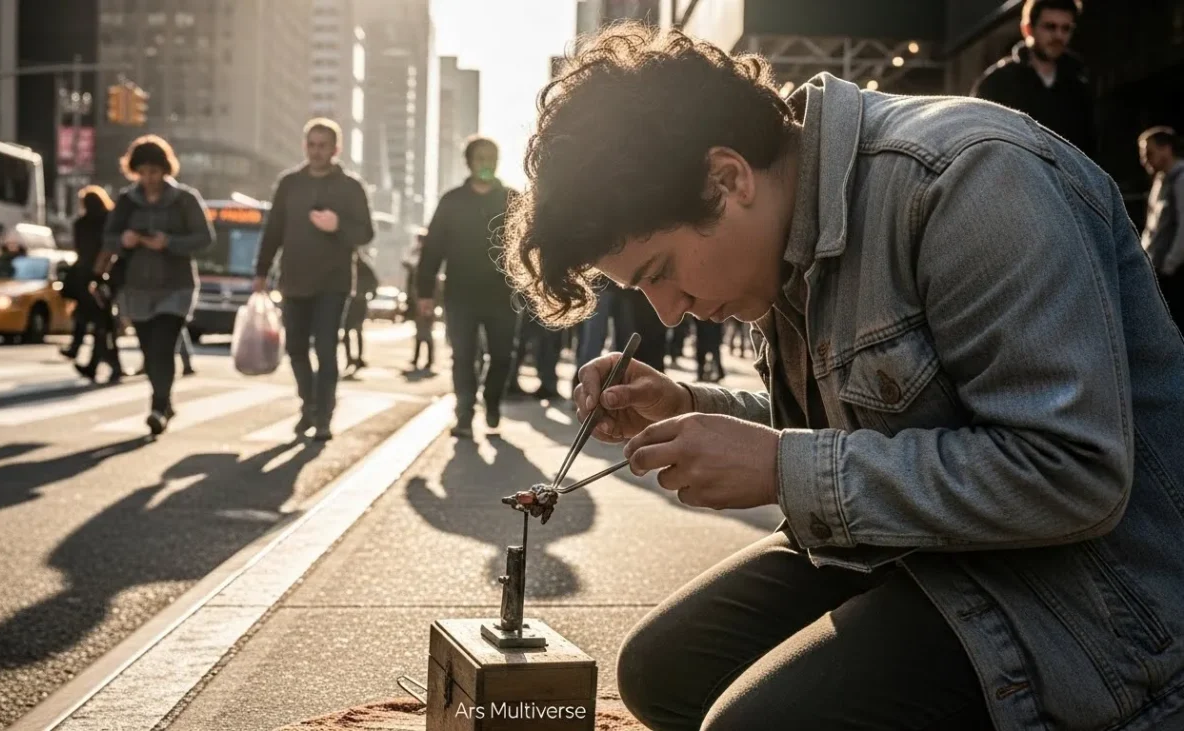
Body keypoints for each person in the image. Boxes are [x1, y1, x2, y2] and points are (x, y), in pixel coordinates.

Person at [503, 24, 1184, 731]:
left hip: (1091, 608)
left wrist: (781, 468)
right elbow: (873, 420)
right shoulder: (788, 225)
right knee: (661, 670)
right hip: (928, 552)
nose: (669, 313)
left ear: (727, 179)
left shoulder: (971, 177)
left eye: (661, 272)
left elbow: (1074, 470)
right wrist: (686, 404)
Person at [254, 118, 374, 440]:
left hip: (333, 283)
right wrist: (261, 272)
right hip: (294, 279)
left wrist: (338, 226)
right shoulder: (289, 183)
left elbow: (366, 233)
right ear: (304, 146)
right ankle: (308, 404)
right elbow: (273, 230)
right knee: (295, 348)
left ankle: (323, 416)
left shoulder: (351, 186)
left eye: (323, 146)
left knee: (325, 348)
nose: (317, 151)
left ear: (336, 149)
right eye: (312, 145)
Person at [103, 135, 214, 436]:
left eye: (154, 171)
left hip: (176, 287)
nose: (149, 178)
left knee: (164, 346)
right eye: (142, 172)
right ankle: (164, 402)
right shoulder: (127, 201)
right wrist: (124, 240)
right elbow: (108, 238)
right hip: (137, 288)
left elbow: (205, 238)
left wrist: (170, 242)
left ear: (165, 170)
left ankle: (157, 407)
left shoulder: (185, 199)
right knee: (149, 351)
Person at [417, 136, 518, 438]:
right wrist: (424, 293)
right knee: (463, 356)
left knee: (502, 355)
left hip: (502, 294)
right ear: (469, 162)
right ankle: (464, 413)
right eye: (480, 158)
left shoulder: (512, 200)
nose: (486, 164)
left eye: (491, 158)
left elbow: (528, 246)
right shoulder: (452, 201)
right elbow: (432, 249)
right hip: (460, 294)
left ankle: (492, 400)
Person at [971, 0, 1096, 157]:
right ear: (1028, 29)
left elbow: (1089, 149)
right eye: (1050, 26)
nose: (1058, 35)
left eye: (1066, 28)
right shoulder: (997, 82)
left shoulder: (1079, 86)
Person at [68, 186, 123, 383]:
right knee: (103, 324)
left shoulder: (81, 224)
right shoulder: (110, 219)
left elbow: (80, 249)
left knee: (99, 323)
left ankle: (98, 362)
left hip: (90, 277)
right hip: (107, 276)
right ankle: (107, 365)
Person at [1139, 126, 1184, 331]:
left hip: (1174, 273)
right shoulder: (1159, 180)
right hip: (1157, 269)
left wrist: (1169, 264)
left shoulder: (1181, 179)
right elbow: (1152, 227)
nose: (1144, 160)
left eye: (1149, 153)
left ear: (1166, 149)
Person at [404, 233, 435, 371]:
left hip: (426, 299)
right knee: (419, 331)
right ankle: (418, 358)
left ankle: (429, 360)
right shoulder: (417, 255)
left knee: (426, 332)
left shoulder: (428, 258)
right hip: (418, 299)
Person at [343, 251, 378, 373]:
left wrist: (369, 295)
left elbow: (374, 283)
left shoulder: (363, 267)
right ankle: (351, 358)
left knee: (356, 330)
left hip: (357, 302)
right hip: (350, 302)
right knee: (349, 331)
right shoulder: (347, 265)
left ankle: (357, 358)